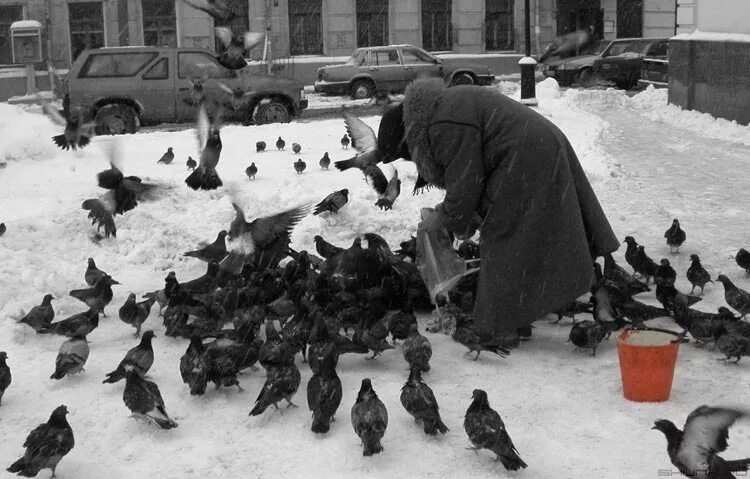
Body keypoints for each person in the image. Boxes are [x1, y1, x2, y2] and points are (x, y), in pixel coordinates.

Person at [376, 78, 620, 346]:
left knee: (505, 239)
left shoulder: (441, 126)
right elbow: (475, 178)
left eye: (406, 154)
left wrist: (444, 217)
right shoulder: (442, 110)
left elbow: (465, 186)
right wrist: (460, 216)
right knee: (532, 234)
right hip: (535, 146)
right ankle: (520, 313)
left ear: (408, 138)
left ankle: (500, 327)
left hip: (527, 154)